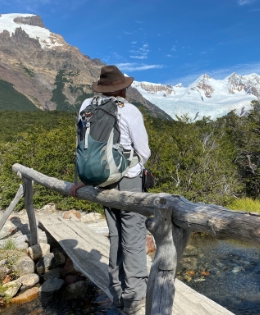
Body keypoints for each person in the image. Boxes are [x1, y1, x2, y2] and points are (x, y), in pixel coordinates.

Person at [70, 65, 150, 315]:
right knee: (134, 237)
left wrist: (85, 178)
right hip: (127, 182)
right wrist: (134, 167)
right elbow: (143, 151)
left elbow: (82, 144)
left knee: (115, 235)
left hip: (101, 181)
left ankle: (117, 292)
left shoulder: (86, 106)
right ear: (122, 88)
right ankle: (135, 296)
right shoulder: (130, 111)